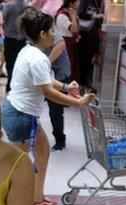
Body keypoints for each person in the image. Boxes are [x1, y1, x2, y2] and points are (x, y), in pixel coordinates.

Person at [2, 8, 93, 205]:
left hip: (17, 112)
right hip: (22, 116)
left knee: (38, 153)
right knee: (19, 162)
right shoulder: (38, 58)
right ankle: (18, 199)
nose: (55, 34)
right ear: (42, 34)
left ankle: (35, 198)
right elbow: (47, 91)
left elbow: (47, 81)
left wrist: (66, 87)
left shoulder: (29, 51)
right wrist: (77, 103)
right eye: (52, 31)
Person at [45, 22, 72, 151]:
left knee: (55, 110)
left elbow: (61, 44)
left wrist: (46, 62)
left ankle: (60, 140)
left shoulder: (47, 26)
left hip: (59, 74)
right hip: (47, 74)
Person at [1, 0, 29, 92]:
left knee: (10, 64)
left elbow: (2, 19)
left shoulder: (8, 6)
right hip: (22, 40)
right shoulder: (26, 6)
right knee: (20, 64)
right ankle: (18, 86)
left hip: (9, 39)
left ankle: (10, 85)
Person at [76, 0, 103, 89]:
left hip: (94, 36)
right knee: (83, 62)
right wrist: (94, 16)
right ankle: (80, 86)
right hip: (84, 35)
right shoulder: (85, 1)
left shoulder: (99, 3)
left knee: (89, 63)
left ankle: (84, 85)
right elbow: (79, 14)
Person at [55, 0, 78, 82]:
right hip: (66, 44)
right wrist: (73, 16)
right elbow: (74, 29)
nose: (78, 4)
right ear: (71, 3)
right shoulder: (62, 16)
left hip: (70, 44)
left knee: (73, 66)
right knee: (68, 67)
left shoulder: (67, 14)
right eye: (77, 2)